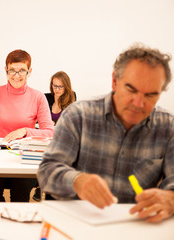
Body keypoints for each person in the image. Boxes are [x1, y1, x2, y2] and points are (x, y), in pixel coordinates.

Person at [38, 44, 174, 223]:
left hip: (135, 225)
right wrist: (77, 181)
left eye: (151, 95)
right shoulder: (79, 115)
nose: (139, 103)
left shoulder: (168, 127)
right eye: (131, 89)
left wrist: (170, 199)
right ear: (115, 81)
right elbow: (47, 171)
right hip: (78, 223)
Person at [0, 49, 54, 202]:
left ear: (29, 72)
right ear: (6, 70)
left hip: (23, 155)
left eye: (22, 71)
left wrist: (25, 131)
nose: (16, 75)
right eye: (12, 70)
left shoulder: (38, 97)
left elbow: (50, 132)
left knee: (20, 197)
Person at [32, 71, 76, 201]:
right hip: (45, 136)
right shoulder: (46, 97)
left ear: (66, 86)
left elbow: (71, 120)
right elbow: (36, 118)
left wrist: (54, 123)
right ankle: (40, 185)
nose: (56, 89)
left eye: (60, 86)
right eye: (54, 86)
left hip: (62, 137)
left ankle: (42, 185)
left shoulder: (71, 97)